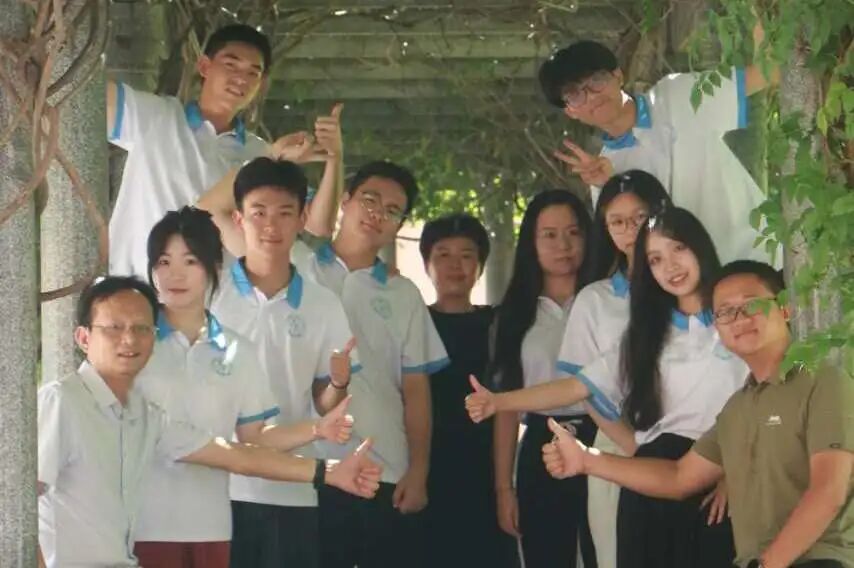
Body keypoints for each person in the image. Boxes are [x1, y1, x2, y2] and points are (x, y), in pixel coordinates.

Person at [467, 206, 748, 567]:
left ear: (700, 247)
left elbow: (767, 392)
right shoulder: (646, 335)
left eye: (678, 248)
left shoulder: (738, 319)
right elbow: (577, 387)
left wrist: (735, 471)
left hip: (720, 483)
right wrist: (498, 402)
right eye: (655, 259)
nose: (670, 266)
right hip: (650, 481)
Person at [36, 276, 381, 568]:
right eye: (114, 328)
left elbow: (236, 455)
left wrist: (329, 471)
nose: (129, 339)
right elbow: (18, 500)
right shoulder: (62, 401)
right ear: (83, 338)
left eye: (141, 328)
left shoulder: (145, 416)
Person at [543, 260, 853, 568]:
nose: (739, 319)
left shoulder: (823, 381)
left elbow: (829, 491)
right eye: (725, 312)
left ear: (785, 309)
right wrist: (586, 460)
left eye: (751, 304)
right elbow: (679, 477)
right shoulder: (737, 408)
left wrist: (770, 564)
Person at [131, 206, 354, 568]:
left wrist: (317, 429)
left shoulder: (238, 351)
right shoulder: (131, 341)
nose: (175, 274)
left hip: (211, 528)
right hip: (138, 528)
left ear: (214, 266)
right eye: (163, 262)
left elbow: (255, 437)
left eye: (190, 261)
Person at [289, 160, 449, 568]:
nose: (378, 214)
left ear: (400, 226)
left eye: (392, 211)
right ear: (344, 200)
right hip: (303, 466)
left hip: (383, 469)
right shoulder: (297, 265)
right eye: (369, 200)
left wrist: (419, 471)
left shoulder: (404, 293)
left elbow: (416, 391)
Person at [200, 158, 358, 568]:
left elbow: (325, 402)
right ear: (238, 219)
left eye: (285, 213)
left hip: (290, 486)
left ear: (303, 218)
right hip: (213, 487)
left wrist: (338, 383)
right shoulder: (209, 294)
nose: (271, 225)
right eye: (259, 213)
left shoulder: (323, 305)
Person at [107, 23, 343, 277]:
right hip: (139, 290)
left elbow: (318, 224)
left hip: (216, 297)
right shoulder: (155, 116)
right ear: (204, 66)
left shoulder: (260, 151)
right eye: (231, 65)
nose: (241, 79)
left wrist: (335, 157)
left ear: (261, 84)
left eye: (253, 72)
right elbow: (88, 92)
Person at [538, 37, 778, 264]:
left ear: (618, 75)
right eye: (575, 95)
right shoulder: (602, 172)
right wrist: (609, 184)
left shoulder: (677, 95)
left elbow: (769, 72)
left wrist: (761, 12)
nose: (591, 96)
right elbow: (632, 250)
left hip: (758, 260)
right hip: (688, 286)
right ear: (570, 111)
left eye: (596, 80)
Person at [557, 169, 672, 568]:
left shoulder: (687, 286)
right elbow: (585, 390)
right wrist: (635, 447)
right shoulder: (594, 299)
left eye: (640, 218)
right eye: (617, 222)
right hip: (617, 447)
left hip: (692, 449)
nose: (630, 231)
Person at [488, 190, 596, 568]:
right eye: (549, 235)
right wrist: (504, 488)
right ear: (531, 243)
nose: (563, 245)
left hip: (604, 438)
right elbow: (504, 406)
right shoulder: (514, 315)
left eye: (573, 233)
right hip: (541, 444)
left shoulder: (606, 302)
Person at [418, 214, 520, 568]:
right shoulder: (412, 320)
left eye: (466, 255)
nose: (455, 265)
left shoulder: (497, 324)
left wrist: (504, 488)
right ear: (427, 265)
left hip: (484, 471)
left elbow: (508, 403)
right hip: (423, 471)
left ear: (480, 266)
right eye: (443, 255)